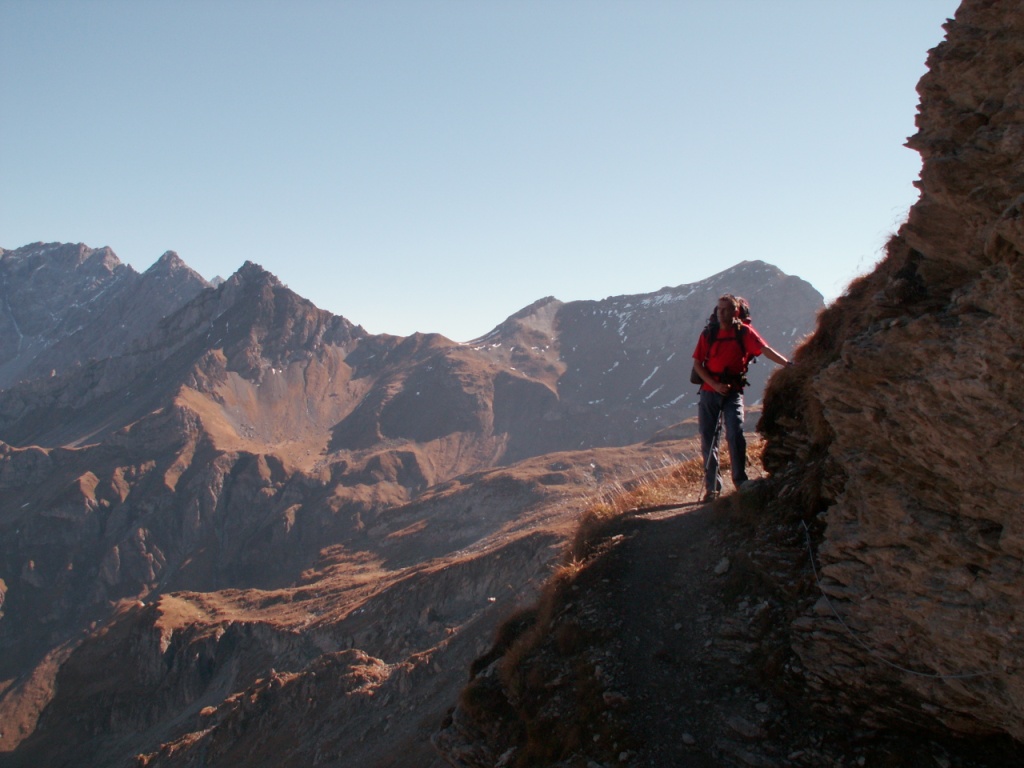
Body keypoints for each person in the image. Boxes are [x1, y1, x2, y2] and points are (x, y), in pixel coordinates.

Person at [691, 294, 791, 501]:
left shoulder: (744, 332)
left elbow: (765, 350)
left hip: (732, 391)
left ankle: (740, 481)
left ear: (735, 312)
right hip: (710, 391)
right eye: (719, 309)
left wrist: (788, 365)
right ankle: (713, 488)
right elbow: (697, 365)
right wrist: (715, 385)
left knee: (735, 434)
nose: (721, 313)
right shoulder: (709, 333)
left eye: (725, 309)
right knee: (709, 439)